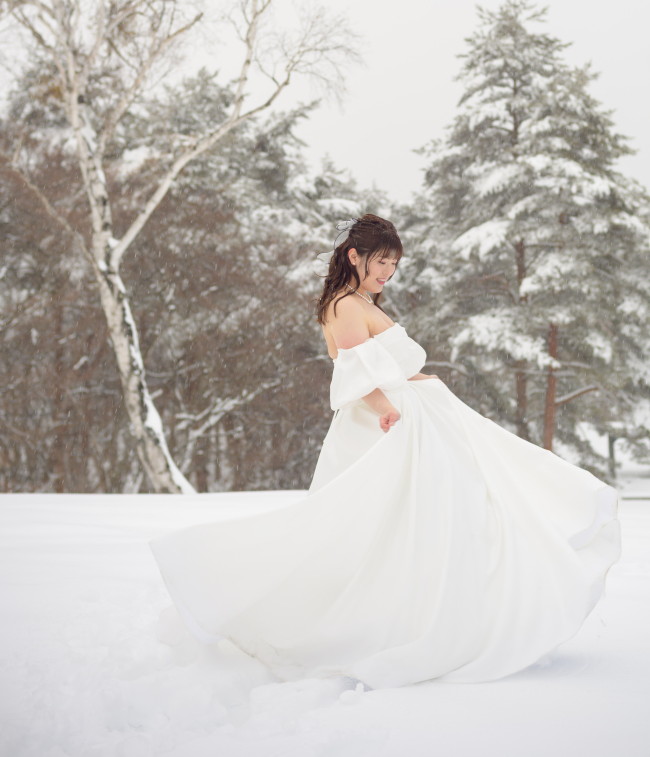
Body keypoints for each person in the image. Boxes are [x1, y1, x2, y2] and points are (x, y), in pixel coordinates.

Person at [150, 214, 620, 688]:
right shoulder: (344, 305)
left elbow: (382, 366)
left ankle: (454, 616)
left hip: (411, 417)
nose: (388, 272)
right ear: (354, 255)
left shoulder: (358, 301)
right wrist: (387, 409)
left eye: (394, 264)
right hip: (388, 426)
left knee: (447, 519)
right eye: (381, 262)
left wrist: (420, 386)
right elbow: (356, 372)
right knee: (391, 527)